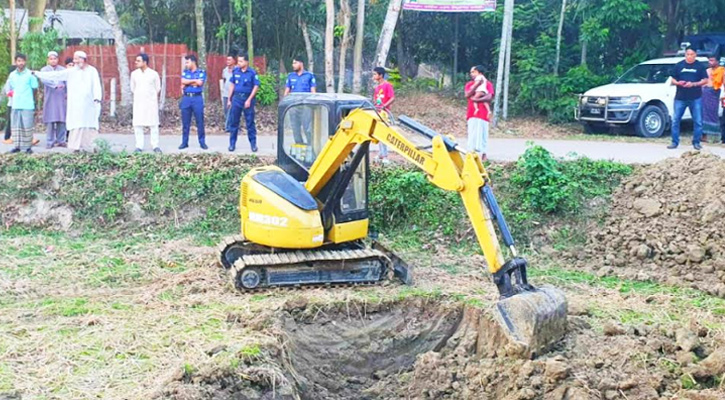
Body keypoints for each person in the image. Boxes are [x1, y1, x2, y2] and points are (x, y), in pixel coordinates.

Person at [34, 51, 103, 153]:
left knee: (89, 124)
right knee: (76, 124)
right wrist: (37, 74)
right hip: (75, 104)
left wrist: (97, 98)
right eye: (74, 59)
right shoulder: (71, 71)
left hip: (89, 104)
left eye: (76, 59)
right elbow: (55, 75)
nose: (74, 61)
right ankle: (76, 147)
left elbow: (97, 85)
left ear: (83, 59)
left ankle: (90, 146)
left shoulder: (92, 71)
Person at [669, 47, 708, 150]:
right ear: (685, 55)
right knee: (676, 120)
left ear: (695, 55)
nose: (690, 56)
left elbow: (705, 80)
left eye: (692, 54)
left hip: (695, 97)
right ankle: (674, 142)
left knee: (698, 121)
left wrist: (694, 84)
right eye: (688, 54)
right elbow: (672, 79)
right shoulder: (679, 65)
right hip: (680, 97)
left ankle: (696, 142)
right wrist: (678, 83)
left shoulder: (699, 66)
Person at [226, 54, 259, 152]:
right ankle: (232, 144)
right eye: (238, 61)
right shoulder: (235, 71)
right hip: (236, 99)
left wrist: (249, 100)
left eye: (241, 61)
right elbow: (232, 85)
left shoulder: (252, 73)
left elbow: (256, 86)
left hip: (247, 99)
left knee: (250, 123)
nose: (238, 63)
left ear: (246, 62)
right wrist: (229, 99)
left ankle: (253, 144)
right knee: (234, 122)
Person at [6, 54, 39, 154]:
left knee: (27, 126)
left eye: (22, 61)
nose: (21, 63)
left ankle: (28, 147)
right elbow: (9, 88)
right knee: (16, 126)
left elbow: (35, 88)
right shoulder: (12, 75)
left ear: (25, 62)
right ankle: (17, 147)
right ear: (16, 62)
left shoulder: (30, 74)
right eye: (19, 61)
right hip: (15, 104)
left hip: (27, 104)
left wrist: (34, 102)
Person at [130, 53, 162, 153]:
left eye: (138, 61)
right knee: (138, 124)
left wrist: (150, 96)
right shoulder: (134, 74)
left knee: (153, 124)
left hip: (151, 103)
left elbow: (158, 88)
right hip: (139, 102)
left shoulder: (153, 74)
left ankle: (155, 145)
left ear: (145, 62)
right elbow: (133, 88)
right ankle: (139, 146)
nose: (136, 62)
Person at [284, 57, 316, 145]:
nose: (293, 65)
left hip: (306, 105)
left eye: (295, 63)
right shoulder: (291, 76)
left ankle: (311, 145)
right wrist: (285, 102)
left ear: (301, 63)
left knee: (307, 127)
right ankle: (299, 145)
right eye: (293, 63)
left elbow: (313, 91)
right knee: (295, 128)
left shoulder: (309, 75)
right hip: (294, 106)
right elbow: (287, 91)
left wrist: (313, 104)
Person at [465, 65, 494, 161]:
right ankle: (470, 154)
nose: (471, 74)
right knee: (472, 134)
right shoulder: (469, 84)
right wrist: (477, 85)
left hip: (483, 114)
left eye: (473, 72)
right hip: (472, 113)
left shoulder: (488, 84)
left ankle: (483, 154)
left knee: (483, 135)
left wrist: (476, 99)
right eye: (471, 72)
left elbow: (489, 97)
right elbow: (467, 94)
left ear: (479, 73)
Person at [39, 51, 68, 148]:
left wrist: (67, 91)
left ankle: (61, 140)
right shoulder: (44, 70)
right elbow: (44, 80)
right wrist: (55, 85)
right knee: (50, 120)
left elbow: (67, 81)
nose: (53, 60)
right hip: (50, 98)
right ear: (48, 60)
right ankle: (50, 141)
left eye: (55, 58)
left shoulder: (63, 70)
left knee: (61, 119)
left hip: (61, 98)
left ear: (58, 59)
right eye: (51, 59)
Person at [179, 54, 207, 150]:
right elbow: (183, 81)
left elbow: (200, 83)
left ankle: (202, 142)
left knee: (200, 121)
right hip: (186, 98)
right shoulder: (185, 72)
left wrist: (188, 82)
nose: (186, 64)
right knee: (185, 122)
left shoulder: (201, 72)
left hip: (197, 99)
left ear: (193, 62)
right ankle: (184, 142)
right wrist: (194, 81)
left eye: (188, 62)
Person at [371, 67, 395, 162]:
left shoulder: (387, 85)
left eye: (375, 74)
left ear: (380, 75)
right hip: (377, 112)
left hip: (384, 113)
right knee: (378, 133)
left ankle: (385, 156)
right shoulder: (377, 87)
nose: (373, 76)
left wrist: (384, 106)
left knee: (383, 133)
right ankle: (381, 154)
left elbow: (392, 98)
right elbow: (376, 99)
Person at [703, 55, 724, 143]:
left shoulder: (722, 71)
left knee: (712, 114)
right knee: (703, 114)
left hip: (714, 93)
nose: (710, 62)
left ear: (717, 62)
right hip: (705, 93)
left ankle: (714, 137)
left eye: (712, 60)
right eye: (709, 60)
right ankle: (704, 136)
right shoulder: (707, 71)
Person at [222, 53, 236, 132]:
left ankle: (228, 127)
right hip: (225, 93)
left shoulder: (237, 70)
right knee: (226, 110)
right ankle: (229, 125)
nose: (228, 61)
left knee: (232, 110)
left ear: (234, 61)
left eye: (229, 60)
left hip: (234, 94)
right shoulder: (225, 70)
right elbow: (224, 80)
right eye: (227, 60)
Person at [3, 65, 16, 144]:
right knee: (10, 122)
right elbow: (8, 93)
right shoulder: (9, 81)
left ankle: (25, 138)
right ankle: (7, 137)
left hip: (22, 104)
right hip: (12, 104)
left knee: (22, 122)